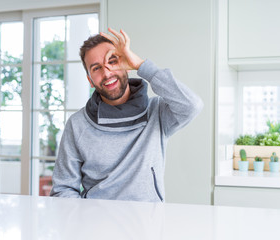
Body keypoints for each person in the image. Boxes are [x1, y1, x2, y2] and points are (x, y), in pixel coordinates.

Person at [50, 28, 203, 202]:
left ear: (126, 64)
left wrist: (141, 66)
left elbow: (192, 105)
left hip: (148, 223)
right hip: (96, 225)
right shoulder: (77, 124)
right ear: (89, 79)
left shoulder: (157, 112)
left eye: (112, 61)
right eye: (96, 68)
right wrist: (86, 219)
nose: (107, 73)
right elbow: (62, 189)